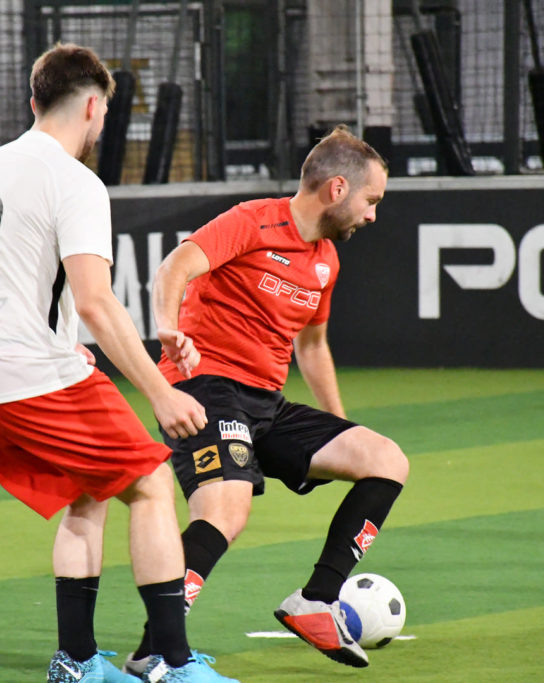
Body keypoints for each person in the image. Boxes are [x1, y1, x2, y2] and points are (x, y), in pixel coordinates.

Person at [0, 43, 239, 683]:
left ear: (34, 101)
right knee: (151, 482)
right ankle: (173, 664)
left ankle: (75, 661)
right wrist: (161, 391)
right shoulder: (75, 180)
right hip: (20, 369)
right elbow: (96, 301)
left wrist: (60, 340)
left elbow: (6, 277)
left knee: (90, 490)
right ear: (95, 108)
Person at [126, 125, 409, 672]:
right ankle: (153, 650)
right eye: (371, 200)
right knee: (225, 510)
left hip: (266, 404)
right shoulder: (253, 220)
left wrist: (338, 427)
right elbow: (174, 267)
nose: (373, 215)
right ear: (337, 189)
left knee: (385, 460)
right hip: (205, 388)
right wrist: (167, 328)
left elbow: (313, 345)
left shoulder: (326, 259)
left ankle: (316, 601)